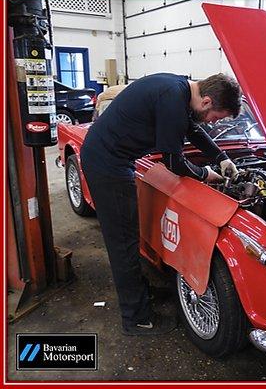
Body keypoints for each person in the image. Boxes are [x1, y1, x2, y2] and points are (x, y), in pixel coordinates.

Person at [80, 73, 242, 336]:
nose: (215, 123)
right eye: (218, 117)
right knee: (124, 243)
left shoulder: (179, 89)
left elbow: (193, 130)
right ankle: (137, 319)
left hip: (111, 158)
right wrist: (206, 174)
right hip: (107, 165)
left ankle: (139, 293)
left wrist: (221, 157)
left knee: (128, 237)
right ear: (207, 101)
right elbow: (174, 162)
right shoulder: (172, 99)